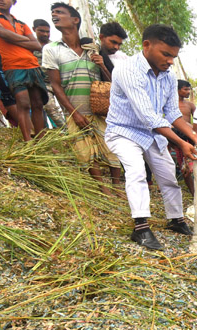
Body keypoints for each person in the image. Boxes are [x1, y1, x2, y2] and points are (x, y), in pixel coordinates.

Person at [105, 24, 197, 250]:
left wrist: (194, 136)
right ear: (146, 46)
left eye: (174, 56)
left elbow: (172, 113)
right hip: (123, 131)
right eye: (166, 54)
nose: (170, 61)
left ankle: (176, 219)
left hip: (152, 133)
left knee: (169, 176)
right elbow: (148, 115)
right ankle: (140, 227)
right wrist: (181, 141)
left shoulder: (169, 77)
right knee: (136, 171)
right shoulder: (126, 70)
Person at [42, 3, 121, 195]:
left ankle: (117, 186)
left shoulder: (91, 48)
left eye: (60, 12)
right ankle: (103, 188)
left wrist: (102, 65)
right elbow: (56, 86)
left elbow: (111, 83)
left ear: (75, 20)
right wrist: (73, 113)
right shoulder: (51, 49)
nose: (55, 15)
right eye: (53, 13)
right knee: (85, 150)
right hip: (74, 108)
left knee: (112, 146)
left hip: (100, 108)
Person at [0, 0, 47, 141]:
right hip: (13, 65)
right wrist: (25, 40)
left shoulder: (21, 23)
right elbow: (2, 34)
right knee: (23, 104)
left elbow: (37, 45)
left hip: (32, 64)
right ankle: (28, 141)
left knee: (38, 104)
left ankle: (42, 140)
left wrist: (12, 38)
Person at [32, 17, 65, 128]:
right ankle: (67, 131)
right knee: (50, 108)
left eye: (47, 31)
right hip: (42, 84)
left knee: (67, 107)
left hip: (58, 81)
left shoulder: (55, 46)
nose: (45, 34)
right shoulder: (30, 46)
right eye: (41, 31)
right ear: (34, 30)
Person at [167, 78, 195, 194]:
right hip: (172, 135)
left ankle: (195, 190)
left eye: (189, 89)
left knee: (190, 162)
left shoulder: (190, 105)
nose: (188, 92)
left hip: (187, 135)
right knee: (174, 161)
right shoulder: (169, 104)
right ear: (177, 90)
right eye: (185, 89)